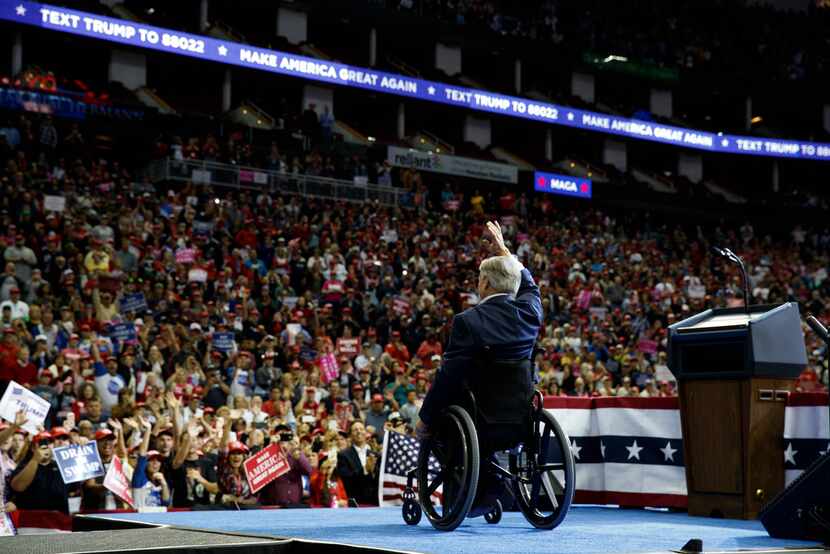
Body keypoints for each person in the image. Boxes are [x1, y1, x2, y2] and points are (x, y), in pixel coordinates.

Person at [418, 220, 542, 429]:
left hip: (479, 420)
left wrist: (425, 419)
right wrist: (504, 252)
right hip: (520, 417)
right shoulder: (530, 311)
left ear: (485, 283)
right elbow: (530, 285)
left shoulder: (467, 321)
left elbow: (448, 377)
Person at [336, 421, 377, 505]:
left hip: (374, 502)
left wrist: (373, 472)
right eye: (355, 430)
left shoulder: (375, 454)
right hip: (355, 502)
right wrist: (365, 469)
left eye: (361, 429)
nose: (359, 431)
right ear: (350, 436)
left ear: (365, 433)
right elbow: (346, 480)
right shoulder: (343, 455)